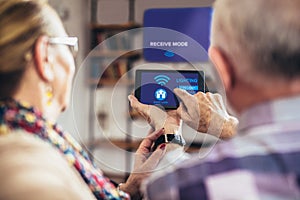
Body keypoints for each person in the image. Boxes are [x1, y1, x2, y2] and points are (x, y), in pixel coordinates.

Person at [130, 0, 300, 199]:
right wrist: (226, 126)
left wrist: (170, 135)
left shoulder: (182, 184)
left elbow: (173, 184)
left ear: (223, 69)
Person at [0, 0, 168, 199]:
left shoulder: (28, 133)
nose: (73, 62)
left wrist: (132, 186)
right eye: (70, 47)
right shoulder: (25, 157)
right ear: (45, 56)